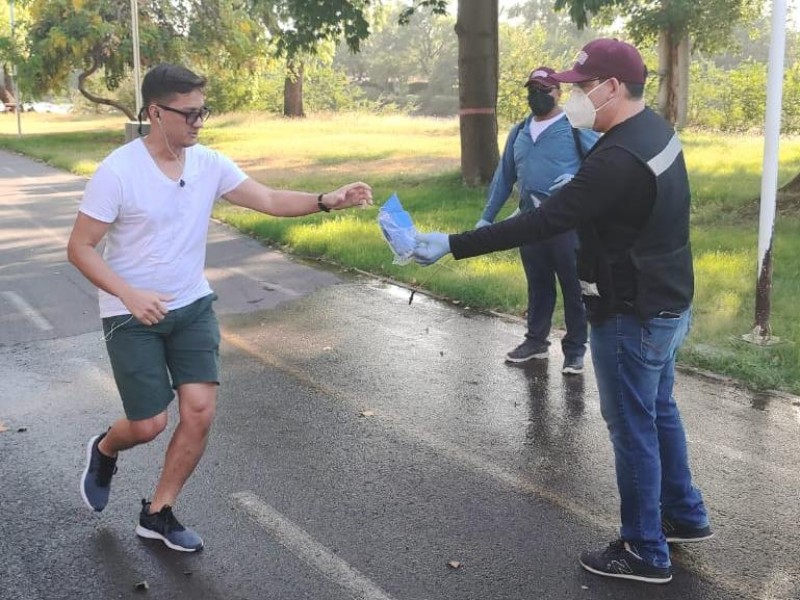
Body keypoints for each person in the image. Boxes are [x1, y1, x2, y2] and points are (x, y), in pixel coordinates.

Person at [413, 39, 711, 584]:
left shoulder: (617, 155)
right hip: (668, 301)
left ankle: (645, 549)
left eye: (581, 85)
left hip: (629, 311)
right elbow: (630, 204)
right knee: (660, 409)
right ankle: (684, 515)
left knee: (632, 426)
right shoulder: (654, 132)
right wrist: (582, 189)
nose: (573, 94)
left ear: (612, 88)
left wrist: (453, 243)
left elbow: (544, 222)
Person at [68, 64, 372, 552]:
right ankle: (105, 449)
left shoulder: (208, 163)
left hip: (191, 306)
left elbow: (268, 198)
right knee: (148, 425)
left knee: (200, 411)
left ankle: (158, 512)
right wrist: (128, 292)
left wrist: (325, 200)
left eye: (202, 111)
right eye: (188, 113)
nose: (198, 122)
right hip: (132, 315)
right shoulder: (117, 172)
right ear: (155, 112)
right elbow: (80, 247)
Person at [477, 66, 597, 373]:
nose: (537, 96)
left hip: (566, 223)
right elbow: (504, 178)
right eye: (532, 90)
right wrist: (486, 219)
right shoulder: (519, 131)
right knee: (539, 284)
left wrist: (576, 179)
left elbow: (601, 165)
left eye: (544, 90)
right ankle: (536, 342)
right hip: (530, 222)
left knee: (573, 287)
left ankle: (574, 350)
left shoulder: (573, 126)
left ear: (558, 93)